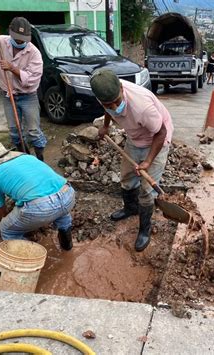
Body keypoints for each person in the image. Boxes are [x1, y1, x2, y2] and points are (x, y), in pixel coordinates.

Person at [90, 69, 174, 252]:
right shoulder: (105, 94)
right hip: (135, 138)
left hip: (156, 139)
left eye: (117, 101)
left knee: (146, 190)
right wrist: (106, 127)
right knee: (127, 179)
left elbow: (161, 133)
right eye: (107, 104)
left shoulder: (142, 106)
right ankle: (130, 208)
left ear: (121, 87)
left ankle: (145, 230)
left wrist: (148, 161)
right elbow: (109, 110)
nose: (113, 106)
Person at [0, 141, 75, 250]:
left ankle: (30, 259)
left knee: (6, 230)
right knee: (62, 216)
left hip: (41, 206)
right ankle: (67, 248)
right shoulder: (28, 158)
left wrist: (6, 222)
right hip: (68, 193)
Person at [0, 17, 47, 161]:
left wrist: (13, 68)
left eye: (23, 39)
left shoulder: (34, 53)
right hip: (9, 96)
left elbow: (32, 81)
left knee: (33, 131)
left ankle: (40, 158)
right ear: (10, 32)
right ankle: (25, 157)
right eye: (17, 38)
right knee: (15, 131)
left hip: (28, 96)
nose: (20, 42)